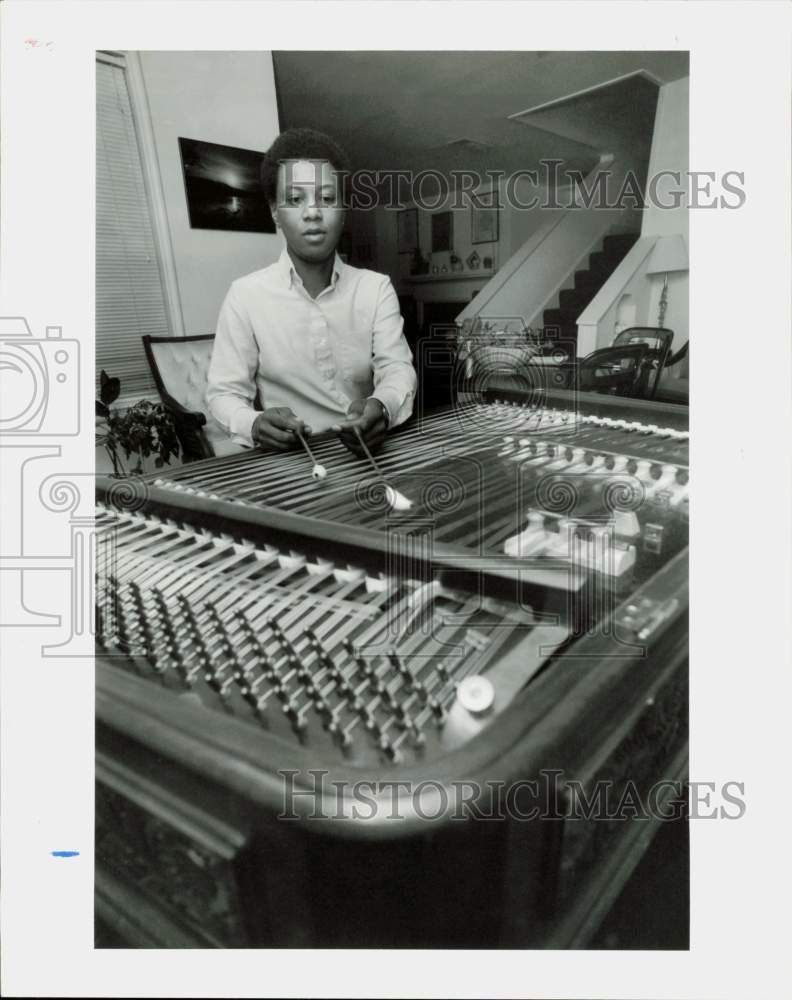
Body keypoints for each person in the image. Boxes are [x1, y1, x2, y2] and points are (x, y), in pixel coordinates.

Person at [206, 128, 417, 456]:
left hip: (365, 456)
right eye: (295, 199)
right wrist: (254, 423)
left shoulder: (375, 289)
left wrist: (382, 405)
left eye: (327, 198)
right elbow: (223, 394)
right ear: (274, 211)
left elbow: (398, 370)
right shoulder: (245, 296)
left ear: (343, 209)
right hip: (289, 466)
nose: (313, 212)